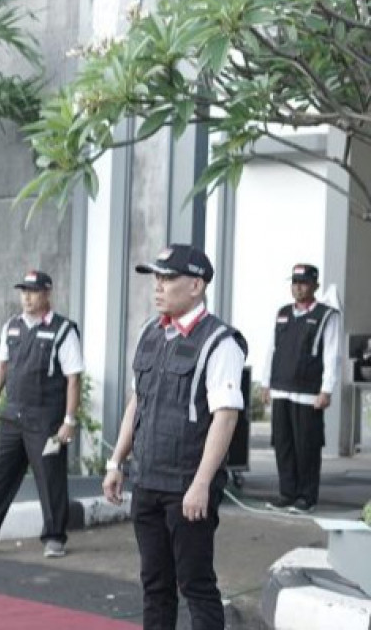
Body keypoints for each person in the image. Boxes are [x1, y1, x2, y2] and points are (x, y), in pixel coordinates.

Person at [103, 244, 247, 630]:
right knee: (155, 585)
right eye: (156, 277)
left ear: (196, 285)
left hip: (187, 486)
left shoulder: (220, 342)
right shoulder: (151, 332)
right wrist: (116, 462)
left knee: (196, 586)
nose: (158, 286)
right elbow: (138, 402)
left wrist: (201, 484)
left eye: (168, 278)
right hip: (147, 480)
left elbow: (226, 418)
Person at [0, 270, 84, 558]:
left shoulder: (64, 330)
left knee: (50, 478)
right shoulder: (11, 327)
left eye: (33, 292)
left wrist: (69, 421)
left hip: (46, 421)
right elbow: (2, 367)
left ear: (47, 294)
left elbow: (74, 379)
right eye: (23, 291)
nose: (27, 297)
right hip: (12, 417)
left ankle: (55, 537)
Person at [260, 263, 341, 514]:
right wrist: (266, 383)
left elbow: (332, 354)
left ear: (315, 285)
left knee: (307, 446)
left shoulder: (327, 315)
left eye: (304, 282)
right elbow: (272, 350)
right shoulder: (283, 313)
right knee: (283, 444)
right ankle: (287, 494)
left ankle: (307, 497)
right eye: (295, 282)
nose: (298, 287)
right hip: (281, 389)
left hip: (309, 393)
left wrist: (326, 389)